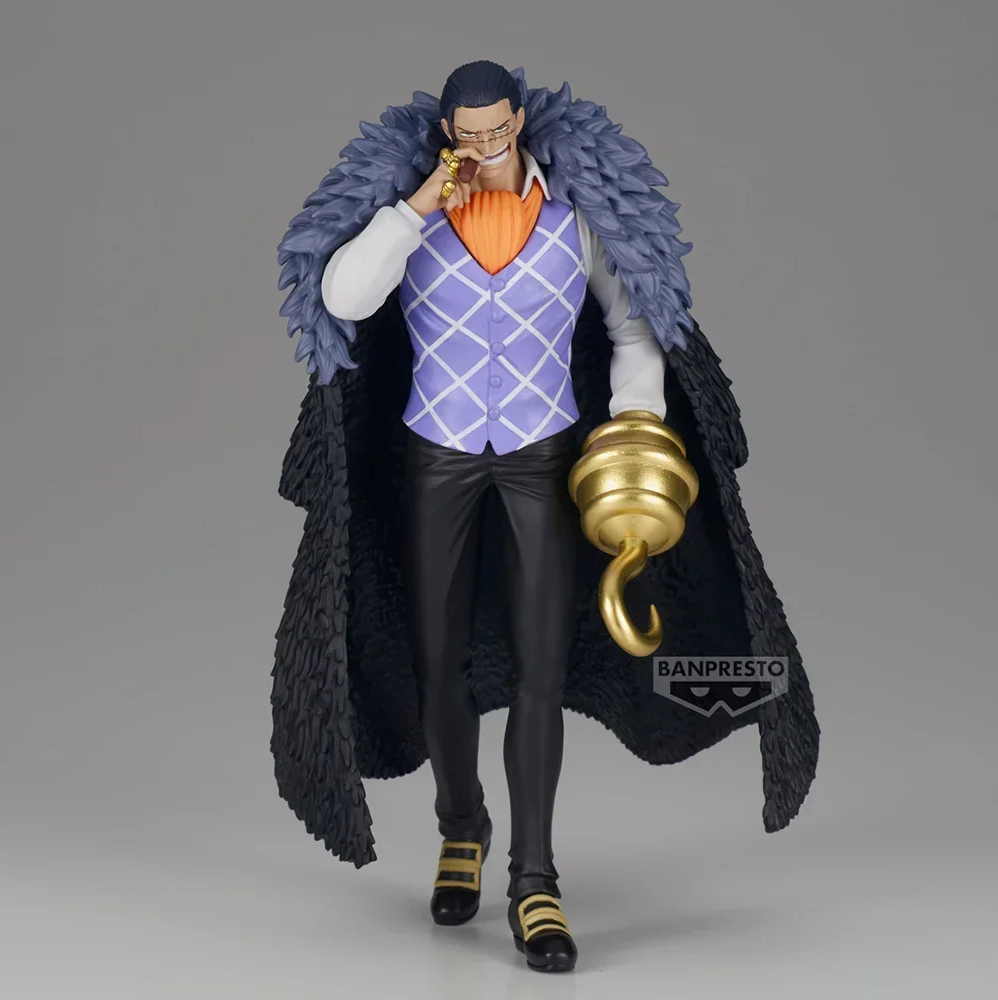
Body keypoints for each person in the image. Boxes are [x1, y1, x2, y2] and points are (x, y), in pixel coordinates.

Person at [272, 59, 819, 974]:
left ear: (520, 122)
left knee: (541, 669)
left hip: (543, 456)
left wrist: (637, 427)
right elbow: (341, 299)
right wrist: (416, 208)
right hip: (438, 452)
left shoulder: (576, 218)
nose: (486, 147)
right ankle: (461, 828)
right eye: (469, 134)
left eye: (498, 130)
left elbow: (633, 327)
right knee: (436, 665)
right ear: (447, 135)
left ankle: (535, 879)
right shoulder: (416, 218)